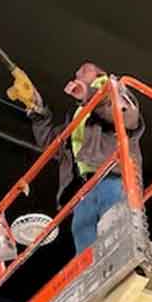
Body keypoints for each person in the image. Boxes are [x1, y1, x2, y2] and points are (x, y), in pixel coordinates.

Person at [29, 63, 144, 253]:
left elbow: (127, 117)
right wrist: (38, 112)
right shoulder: (78, 114)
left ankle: (127, 259)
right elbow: (54, 144)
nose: (77, 74)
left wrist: (90, 96)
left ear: (100, 73)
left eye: (84, 70)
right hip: (83, 187)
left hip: (112, 176)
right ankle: (92, 272)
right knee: (82, 231)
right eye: (76, 73)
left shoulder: (116, 89)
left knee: (115, 224)